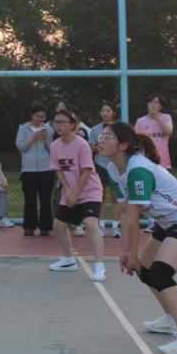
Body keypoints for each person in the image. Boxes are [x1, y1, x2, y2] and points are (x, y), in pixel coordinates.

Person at [98, 121, 177, 354]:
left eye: (107, 137)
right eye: (101, 136)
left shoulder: (138, 169)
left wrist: (134, 254)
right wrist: (125, 251)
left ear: (123, 145)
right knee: (146, 270)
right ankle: (171, 319)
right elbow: (125, 211)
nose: (101, 140)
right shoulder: (112, 168)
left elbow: (135, 215)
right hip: (168, 221)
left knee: (160, 272)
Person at [47, 109, 106, 282]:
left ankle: (100, 266)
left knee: (91, 224)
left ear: (72, 125)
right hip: (70, 191)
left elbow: (86, 171)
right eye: (56, 122)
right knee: (59, 225)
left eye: (63, 122)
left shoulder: (82, 144)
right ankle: (68, 260)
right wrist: (67, 191)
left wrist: (76, 194)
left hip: (89, 191)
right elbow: (59, 170)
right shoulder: (55, 146)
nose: (58, 125)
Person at [16, 103, 54, 236]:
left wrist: (46, 139)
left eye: (43, 117)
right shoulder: (23, 128)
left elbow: (53, 150)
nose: (40, 119)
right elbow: (21, 147)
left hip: (46, 169)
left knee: (45, 199)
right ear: (32, 116)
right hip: (28, 170)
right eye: (37, 116)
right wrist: (33, 137)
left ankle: (45, 227)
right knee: (30, 199)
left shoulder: (49, 129)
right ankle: (29, 226)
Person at [88, 101, 123, 238]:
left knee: (116, 197)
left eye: (108, 110)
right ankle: (101, 227)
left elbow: (122, 146)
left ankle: (115, 228)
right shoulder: (95, 129)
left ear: (113, 113)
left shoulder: (118, 128)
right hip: (99, 165)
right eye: (103, 111)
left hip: (114, 165)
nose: (105, 113)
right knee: (100, 197)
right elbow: (90, 148)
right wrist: (98, 148)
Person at [135, 93, 174, 169]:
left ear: (160, 106)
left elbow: (169, 132)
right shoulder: (140, 121)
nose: (153, 104)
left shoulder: (166, 117)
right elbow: (136, 141)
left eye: (156, 102)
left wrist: (156, 117)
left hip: (163, 162)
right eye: (150, 102)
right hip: (146, 161)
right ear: (147, 105)